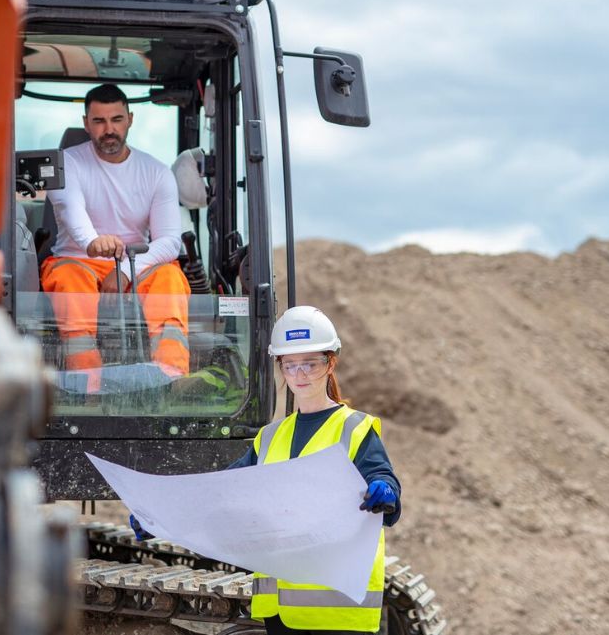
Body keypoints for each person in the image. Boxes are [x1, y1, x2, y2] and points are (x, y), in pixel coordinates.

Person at [129, 305, 400, 634]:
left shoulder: (354, 428)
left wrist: (384, 493)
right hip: (280, 614)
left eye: (310, 364)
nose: (300, 375)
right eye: (291, 366)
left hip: (340, 611)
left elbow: (385, 489)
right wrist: (159, 516)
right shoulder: (270, 437)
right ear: (281, 369)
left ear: (330, 364)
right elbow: (220, 494)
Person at [41, 83, 191, 389]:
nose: (109, 129)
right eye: (98, 121)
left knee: (171, 279)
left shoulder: (156, 172)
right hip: (77, 260)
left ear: (130, 119)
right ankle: (88, 384)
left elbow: (169, 241)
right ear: (86, 123)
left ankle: (172, 379)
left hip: (137, 265)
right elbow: (70, 207)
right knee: (69, 282)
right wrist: (92, 243)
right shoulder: (66, 163)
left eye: (116, 120)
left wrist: (123, 271)